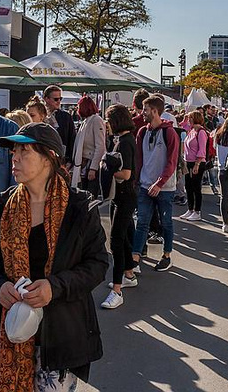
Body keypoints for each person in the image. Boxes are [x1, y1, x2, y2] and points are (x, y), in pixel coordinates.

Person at [0, 122, 108, 391]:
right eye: (14, 151)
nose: (15, 158)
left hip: (60, 340)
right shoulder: (1, 206)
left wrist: (55, 287)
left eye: (25, 151)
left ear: (49, 158)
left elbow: (97, 264)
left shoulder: (80, 208)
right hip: (8, 335)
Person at [133, 94, 180, 272]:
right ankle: (135, 257)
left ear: (154, 111)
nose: (142, 113)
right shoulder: (142, 132)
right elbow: (139, 159)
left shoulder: (169, 133)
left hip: (165, 188)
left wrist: (160, 183)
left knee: (166, 222)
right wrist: (137, 181)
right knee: (142, 222)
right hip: (145, 185)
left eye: (145, 110)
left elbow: (172, 162)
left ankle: (167, 255)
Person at [100, 104, 138, 310]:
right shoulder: (125, 140)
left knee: (115, 241)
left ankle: (117, 290)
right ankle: (128, 274)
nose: (106, 124)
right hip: (123, 196)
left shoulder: (124, 142)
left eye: (108, 120)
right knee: (121, 238)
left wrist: (106, 169)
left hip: (123, 195)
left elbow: (126, 174)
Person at [71, 96, 106, 196]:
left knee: (90, 197)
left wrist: (93, 168)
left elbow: (100, 146)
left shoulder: (96, 120)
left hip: (90, 165)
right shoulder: (85, 122)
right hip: (83, 166)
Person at [180, 110, 209, 222]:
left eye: (191, 118)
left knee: (196, 187)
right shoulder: (192, 130)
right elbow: (182, 126)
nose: (189, 120)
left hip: (197, 162)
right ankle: (190, 209)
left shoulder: (201, 132)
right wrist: (185, 119)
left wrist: (197, 164)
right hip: (188, 161)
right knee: (188, 186)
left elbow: (202, 150)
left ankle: (197, 211)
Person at [43, 85, 76, 164]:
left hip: (61, 158)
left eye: (60, 99)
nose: (59, 101)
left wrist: (70, 160)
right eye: (56, 99)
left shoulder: (66, 116)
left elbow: (72, 139)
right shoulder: (40, 115)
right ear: (46, 99)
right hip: (43, 156)